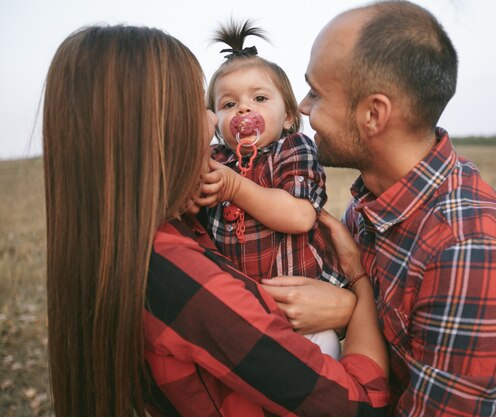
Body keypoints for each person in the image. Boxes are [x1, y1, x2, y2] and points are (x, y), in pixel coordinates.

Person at [43, 25, 389, 417]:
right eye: (205, 104)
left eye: (258, 98)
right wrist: (358, 290)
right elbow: (361, 406)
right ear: (155, 128)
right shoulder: (177, 275)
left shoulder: (128, 240)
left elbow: (296, 213)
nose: (214, 120)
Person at [262, 1, 496, 416]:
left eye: (317, 92)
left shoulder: (471, 247)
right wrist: (354, 302)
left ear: (373, 114)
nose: (305, 108)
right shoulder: (374, 203)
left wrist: (351, 305)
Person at [197, 21, 348, 358]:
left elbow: (299, 216)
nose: (244, 109)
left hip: (305, 314)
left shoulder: (292, 149)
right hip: (246, 313)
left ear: (290, 117)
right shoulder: (216, 160)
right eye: (228, 105)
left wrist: (235, 186)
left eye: (260, 98)